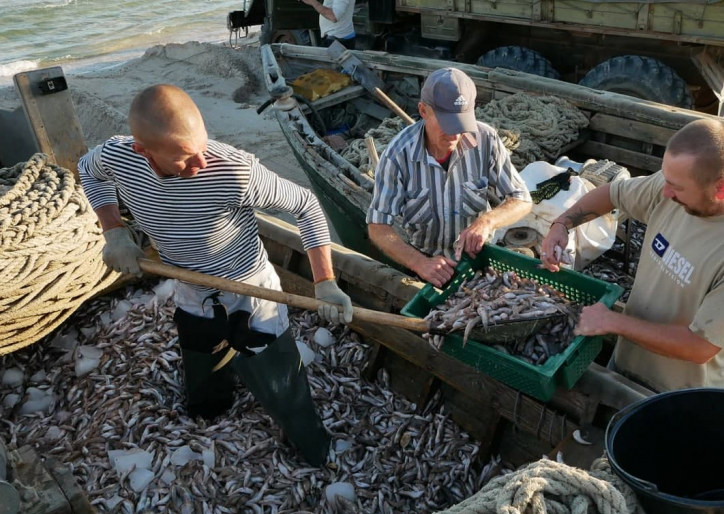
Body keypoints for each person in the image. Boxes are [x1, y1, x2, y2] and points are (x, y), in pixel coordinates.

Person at [78, 84, 353, 466]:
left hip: (251, 293)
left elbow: (305, 205)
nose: (200, 163)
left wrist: (325, 282)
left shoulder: (235, 172)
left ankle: (314, 449)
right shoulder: (117, 156)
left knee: (282, 383)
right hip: (191, 289)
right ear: (144, 151)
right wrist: (115, 233)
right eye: (184, 158)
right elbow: (89, 173)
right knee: (201, 368)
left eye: (201, 148)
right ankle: (210, 408)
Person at [540, 119, 724, 392]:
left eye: (677, 187)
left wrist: (614, 321)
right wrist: (562, 224)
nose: (666, 192)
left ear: (721, 189)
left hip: (677, 395)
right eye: (666, 181)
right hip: (623, 367)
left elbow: (700, 347)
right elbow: (613, 193)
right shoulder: (670, 189)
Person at [366, 68, 533, 287]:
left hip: (478, 259)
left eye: (461, 124)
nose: (455, 134)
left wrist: (487, 222)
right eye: (447, 124)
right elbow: (378, 226)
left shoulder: (486, 140)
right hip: (427, 263)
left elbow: (522, 199)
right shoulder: (397, 156)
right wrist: (419, 263)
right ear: (423, 111)